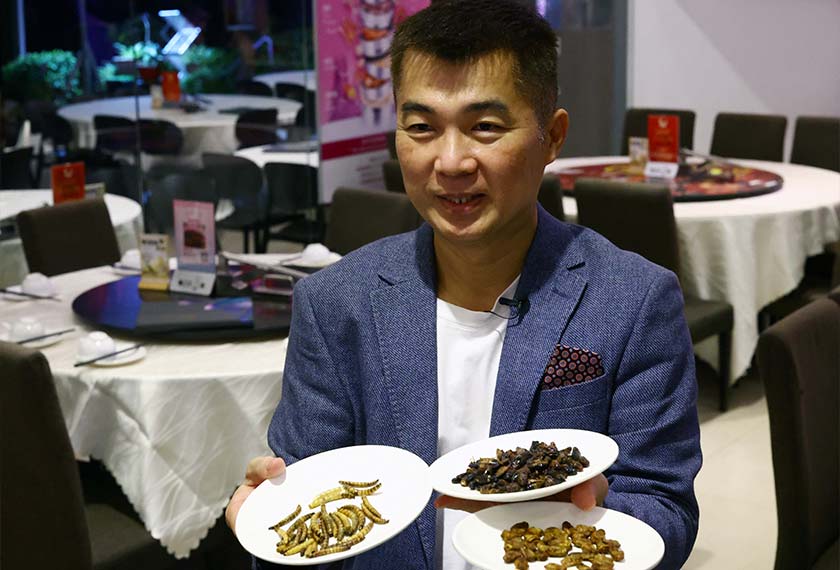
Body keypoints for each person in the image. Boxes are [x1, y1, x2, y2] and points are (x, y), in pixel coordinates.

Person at [226, 1, 701, 568]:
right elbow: (308, 510)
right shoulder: (335, 303)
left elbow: (664, 508)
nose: (450, 162)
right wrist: (267, 519)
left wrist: (591, 506)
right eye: (422, 127)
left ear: (552, 138)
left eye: (485, 128)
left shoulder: (633, 299)